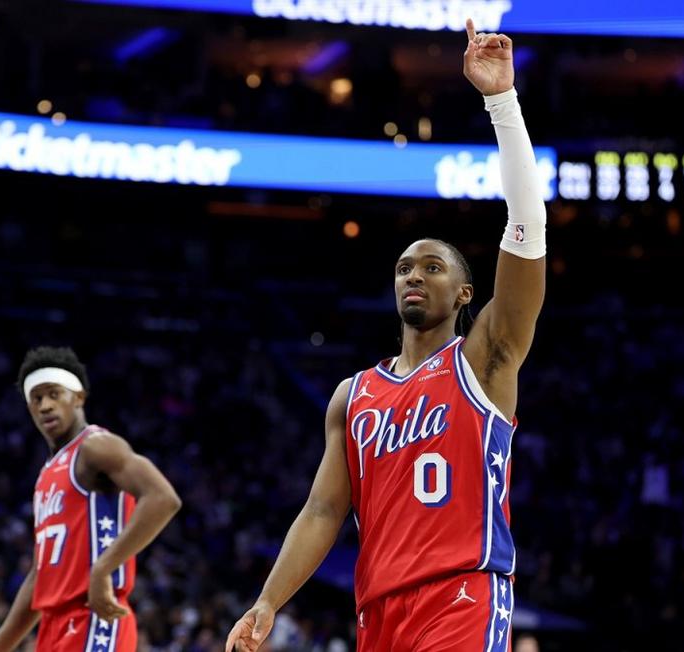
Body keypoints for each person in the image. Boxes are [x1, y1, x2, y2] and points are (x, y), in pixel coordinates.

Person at [226, 19, 546, 652]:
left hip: (464, 596)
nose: (414, 276)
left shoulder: (485, 359)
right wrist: (268, 601)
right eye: (404, 267)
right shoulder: (354, 395)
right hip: (379, 614)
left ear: (464, 293)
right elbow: (322, 511)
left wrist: (501, 101)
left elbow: (527, 221)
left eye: (432, 267)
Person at [0, 347, 181, 652]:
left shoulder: (96, 446)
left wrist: (103, 567)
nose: (45, 406)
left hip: (94, 616)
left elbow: (163, 498)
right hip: (53, 627)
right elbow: (41, 575)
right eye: (35, 399)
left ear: (78, 397)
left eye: (54, 394)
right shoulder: (46, 476)